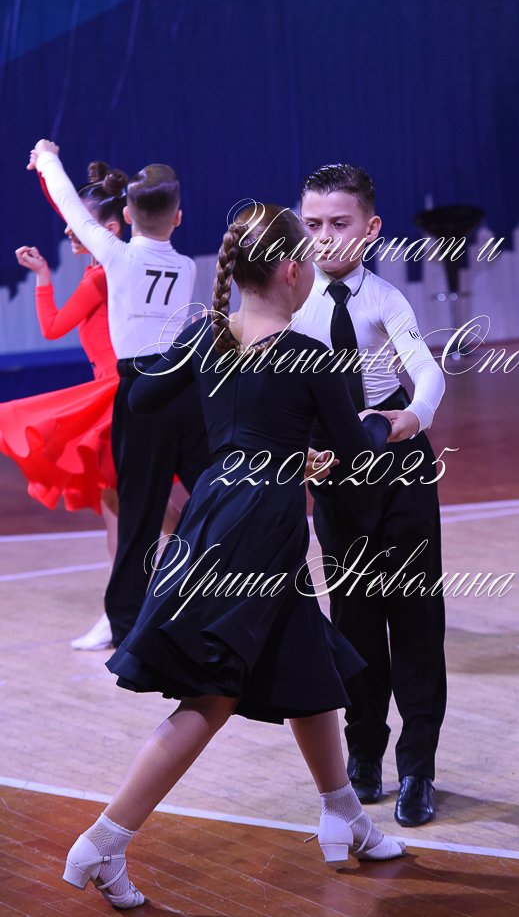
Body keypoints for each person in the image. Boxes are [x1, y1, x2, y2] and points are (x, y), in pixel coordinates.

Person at [62, 205, 405, 909]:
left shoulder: (206, 335)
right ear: (291, 271)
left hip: (219, 509)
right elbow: (355, 452)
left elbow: (143, 395)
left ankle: (343, 813)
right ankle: (104, 839)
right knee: (211, 694)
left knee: (307, 660)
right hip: (260, 526)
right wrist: (389, 421)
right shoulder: (308, 355)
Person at [293, 164, 447, 827]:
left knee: (415, 621)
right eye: (312, 224)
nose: (324, 237)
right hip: (334, 475)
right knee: (353, 621)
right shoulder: (292, 300)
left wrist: (408, 417)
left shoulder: (386, 299)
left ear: (371, 228)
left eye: (339, 223)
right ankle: (363, 755)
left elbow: (428, 373)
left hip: (398, 464)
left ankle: (417, 768)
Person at [29, 139, 211, 648]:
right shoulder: (189, 267)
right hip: (184, 391)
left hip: (141, 394)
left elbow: (70, 206)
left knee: (138, 515)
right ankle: (230, 589)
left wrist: (47, 158)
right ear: (179, 218)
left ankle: (130, 631)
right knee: (211, 493)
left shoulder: (117, 257)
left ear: (126, 216)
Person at [0, 162, 124, 649]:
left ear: (109, 228)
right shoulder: (110, 268)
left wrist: (42, 276)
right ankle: (126, 609)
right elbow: (70, 208)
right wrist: (45, 172)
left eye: (80, 224)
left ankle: (123, 611)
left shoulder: (101, 277)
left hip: (114, 397)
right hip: (123, 392)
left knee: (127, 509)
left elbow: (52, 328)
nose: (70, 230)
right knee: (128, 506)